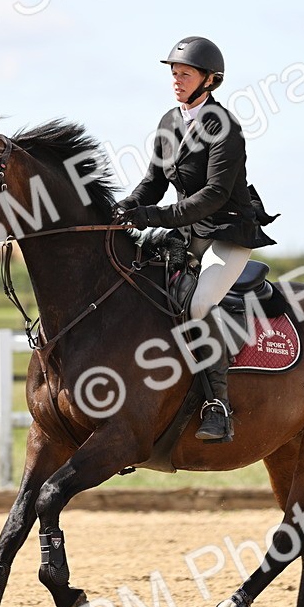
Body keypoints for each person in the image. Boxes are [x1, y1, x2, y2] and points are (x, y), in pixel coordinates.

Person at [114, 36, 276, 444]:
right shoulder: (171, 120)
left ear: (210, 80)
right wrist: (124, 208)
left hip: (227, 231)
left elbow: (215, 194)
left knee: (200, 302)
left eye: (184, 73)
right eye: (173, 72)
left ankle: (217, 406)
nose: (176, 79)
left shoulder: (226, 127)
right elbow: (152, 182)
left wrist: (150, 217)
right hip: (187, 229)